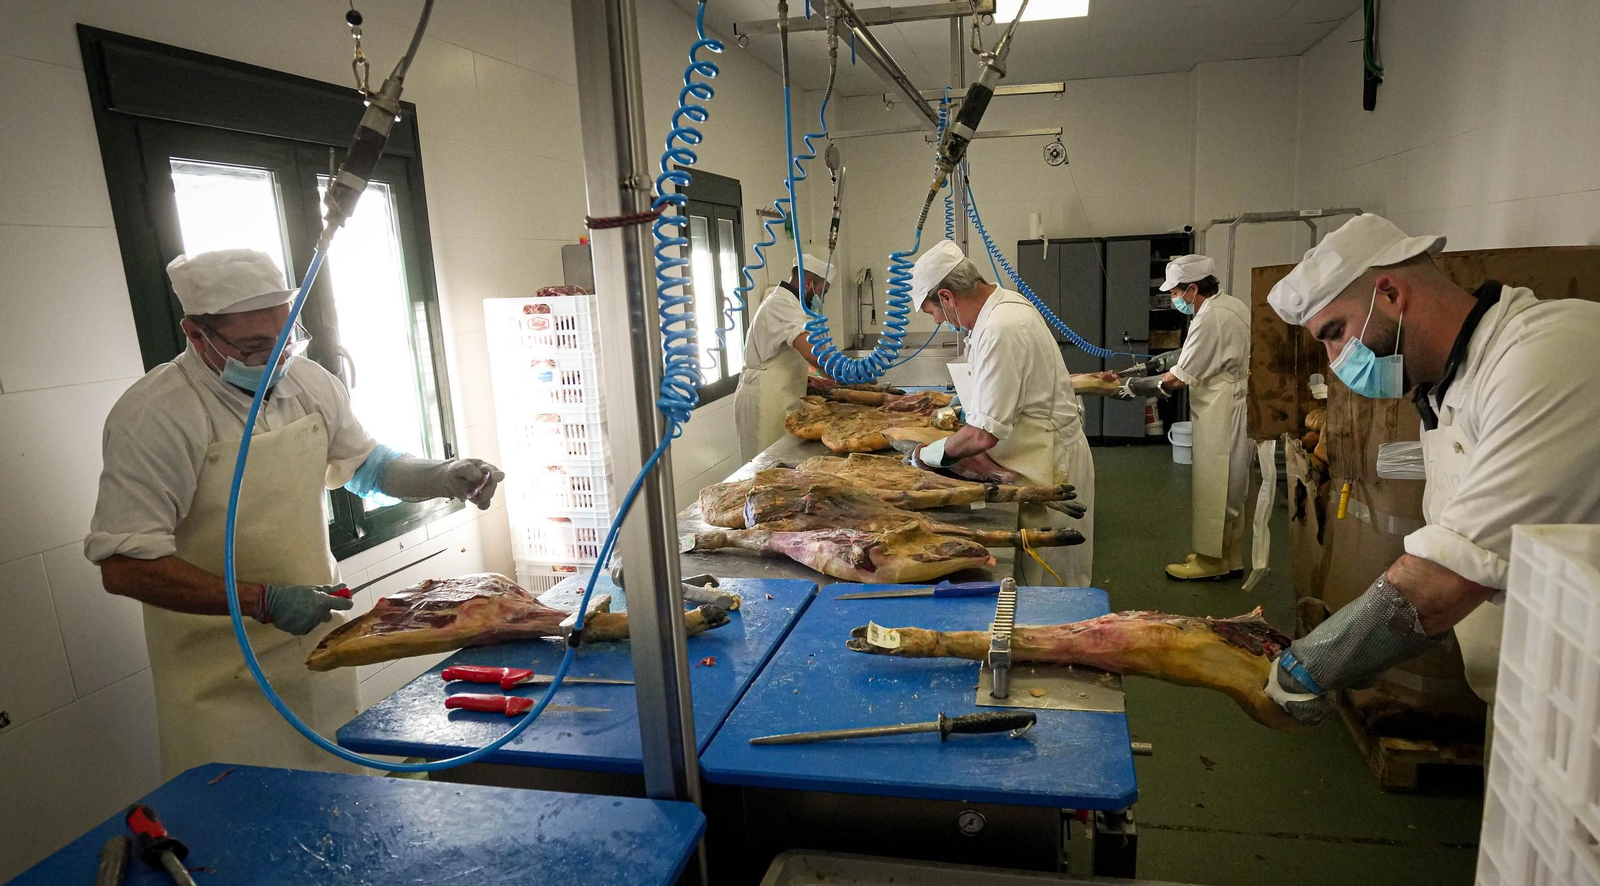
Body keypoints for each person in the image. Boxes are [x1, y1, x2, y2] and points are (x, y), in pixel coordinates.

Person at [85, 249, 504, 777]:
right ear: (196, 335)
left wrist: (440, 476)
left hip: (316, 647)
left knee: (341, 804)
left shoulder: (307, 381)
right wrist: (262, 601)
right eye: (257, 346)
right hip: (217, 680)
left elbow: (366, 465)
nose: (277, 357)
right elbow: (124, 565)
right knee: (244, 827)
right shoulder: (155, 416)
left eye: (286, 337)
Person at [1260, 214, 1600, 725]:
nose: (1334, 361)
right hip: (1534, 698)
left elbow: (1450, 574)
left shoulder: (1550, 353)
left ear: (1391, 293)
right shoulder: (1447, 388)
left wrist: (1316, 664)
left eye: (1336, 333)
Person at [906, 239, 1094, 587]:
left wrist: (926, 454)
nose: (938, 320)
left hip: (1048, 461)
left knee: (1050, 582)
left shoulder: (1000, 326)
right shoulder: (1001, 308)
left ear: (946, 296)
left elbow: (982, 435)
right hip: (1033, 454)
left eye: (933, 313)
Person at [1121, 254, 1252, 581]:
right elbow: (1196, 354)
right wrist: (1161, 363)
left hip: (1223, 407)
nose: (1175, 299)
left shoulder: (1210, 318)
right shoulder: (1229, 305)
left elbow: (1180, 377)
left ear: (1193, 289)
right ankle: (1230, 556)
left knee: (1216, 480)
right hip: (1231, 400)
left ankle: (1211, 561)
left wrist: (1135, 387)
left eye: (1177, 293)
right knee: (1232, 486)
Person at [734, 254, 835, 461]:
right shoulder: (780, 303)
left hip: (780, 395)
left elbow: (812, 355)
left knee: (782, 462)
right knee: (764, 466)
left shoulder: (795, 306)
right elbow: (814, 355)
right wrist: (850, 375)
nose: (821, 300)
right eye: (822, 292)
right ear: (808, 283)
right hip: (765, 399)